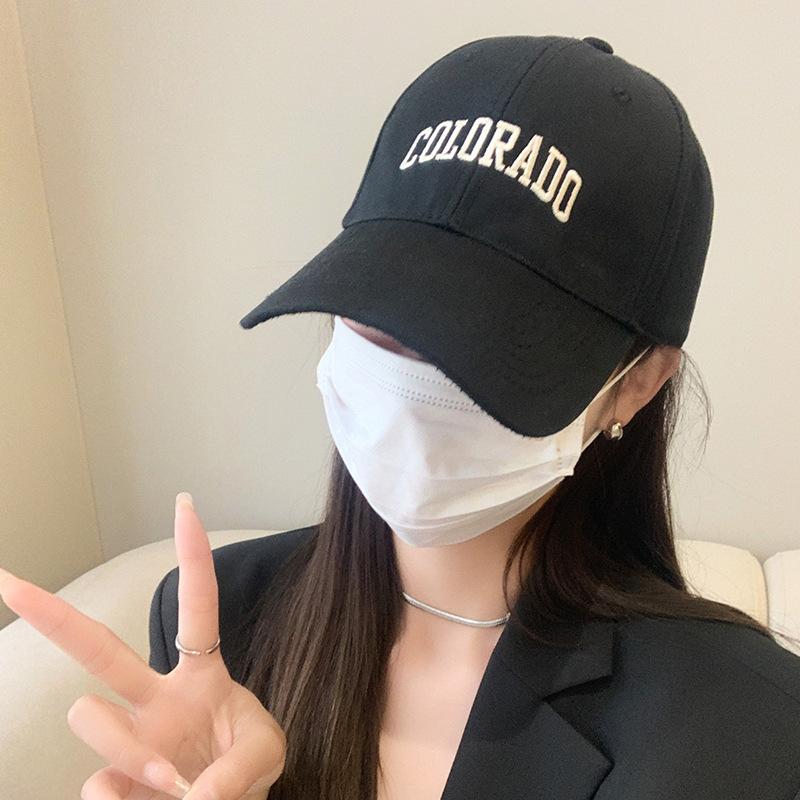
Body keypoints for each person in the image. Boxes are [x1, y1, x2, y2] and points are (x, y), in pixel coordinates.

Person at [2, 33, 799, 800]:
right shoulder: (219, 624)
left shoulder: (743, 727)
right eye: (385, 314)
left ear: (636, 384)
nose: (416, 377)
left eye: (495, 340)